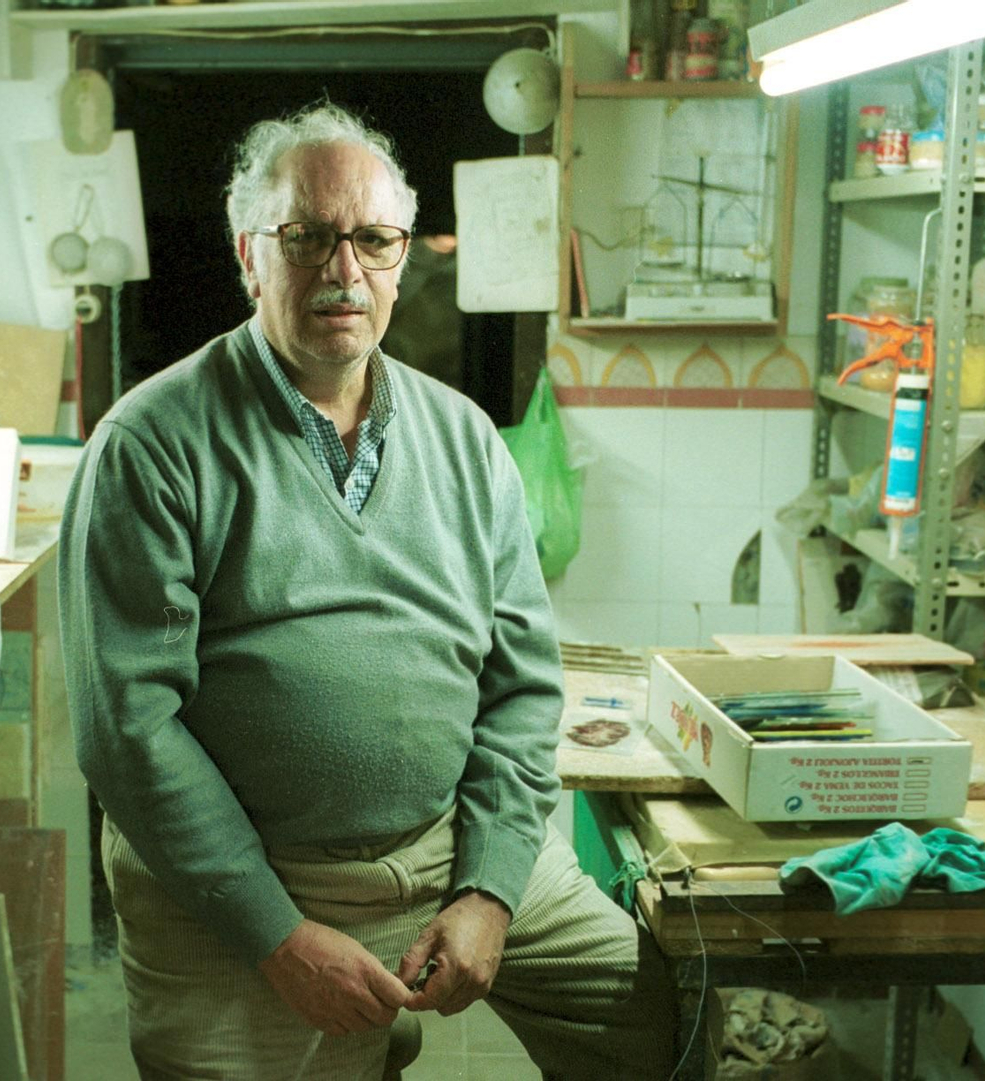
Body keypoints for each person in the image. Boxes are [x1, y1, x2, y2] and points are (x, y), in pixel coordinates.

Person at [58, 101, 675, 1079]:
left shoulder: (465, 439)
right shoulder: (152, 443)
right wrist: (275, 935)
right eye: (307, 238)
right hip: (243, 888)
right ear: (248, 255)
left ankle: (386, 1030)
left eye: (374, 240)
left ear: (401, 257)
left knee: (654, 1013)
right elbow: (127, 731)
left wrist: (490, 887)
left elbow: (522, 685)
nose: (343, 271)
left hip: (446, 848)